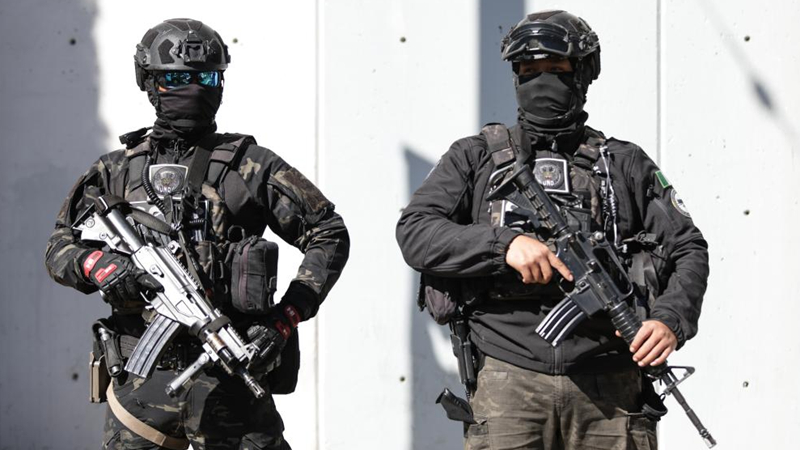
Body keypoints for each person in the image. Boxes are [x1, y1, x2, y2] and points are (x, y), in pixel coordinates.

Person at [396, 10, 709, 450]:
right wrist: (504, 245)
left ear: (582, 73)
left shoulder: (623, 163)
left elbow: (688, 247)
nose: (541, 80)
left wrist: (670, 320)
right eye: (529, 70)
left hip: (611, 384)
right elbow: (416, 231)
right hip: (508, 378)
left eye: (556, 68)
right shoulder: (475, 157)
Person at [44, 19, 349, 450]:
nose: (192, 89)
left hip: (232, 380)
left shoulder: (251, 166)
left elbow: (328, 233)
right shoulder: (115, 171)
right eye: (174, 79)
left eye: (205, 78)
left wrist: (285, 319)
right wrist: (99, 265)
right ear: (148, 83)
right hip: (140, 382)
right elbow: (59, 247)